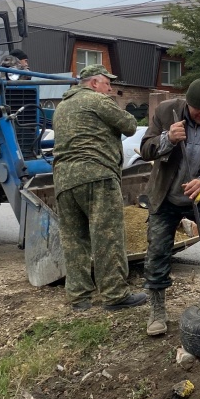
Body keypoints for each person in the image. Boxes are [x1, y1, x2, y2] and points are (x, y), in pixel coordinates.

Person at [52, 64, 147, 312]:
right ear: (94, 83)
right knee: (107, 236)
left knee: (74, 240)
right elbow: (129, 125)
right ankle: (114, 295)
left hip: (63, 180)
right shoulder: (97, 100)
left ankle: (79, 297)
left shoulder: (61, 106)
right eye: (107, 83)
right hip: (97, 176)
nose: (111, 88)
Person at [138, 78, 200, 337]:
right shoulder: (167, 111)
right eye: (199, 111)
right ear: (188, 104)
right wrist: (167, 139)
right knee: (157, 252)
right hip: (167, 197)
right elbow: (145, 149)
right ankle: (157, 310)